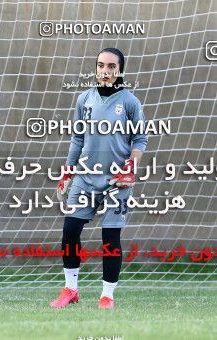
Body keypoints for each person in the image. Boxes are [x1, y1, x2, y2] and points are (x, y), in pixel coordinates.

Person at [50, 47, 148, 309]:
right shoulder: (84, 99)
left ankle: (107, 295)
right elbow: (77, 139)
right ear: (95, 68)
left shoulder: (130, 102)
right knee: (70, 229)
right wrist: (68, 172)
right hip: (86, 176)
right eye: (101, 65)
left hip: (118, 180)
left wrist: (131, 165)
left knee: (110, 238)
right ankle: (71, 290)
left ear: (120, 70)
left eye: (112, 66)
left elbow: (140, 139)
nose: (105, 71)